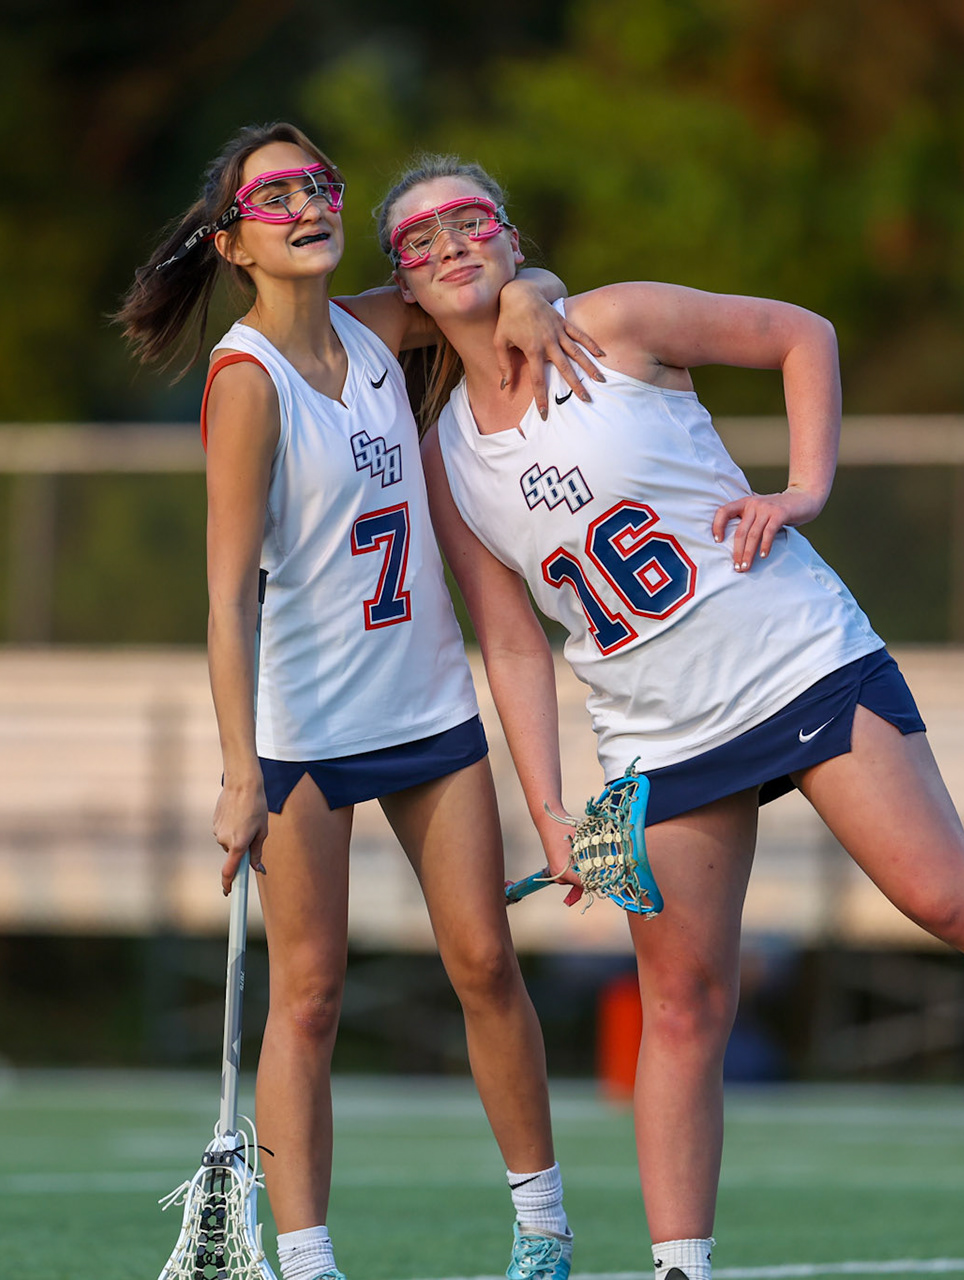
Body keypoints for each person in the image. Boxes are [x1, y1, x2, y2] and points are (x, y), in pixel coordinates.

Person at [380, 155, 964, 1280]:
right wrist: (547, 805)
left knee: (940, 888)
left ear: (505, 232)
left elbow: (804, 334)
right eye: (420, 237)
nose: (450, 244)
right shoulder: (446, 455)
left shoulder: (612, 320)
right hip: (654, 727)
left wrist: (804, 486)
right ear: (402, 278)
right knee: (681, 1003)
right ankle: (680, 1267)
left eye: (470, 220)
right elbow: (508, 638)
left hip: (792, 652)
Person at [116, 123, 606, 1280]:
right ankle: (309, 1256)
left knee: (486, 961)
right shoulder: (248, 382)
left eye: (319, 184)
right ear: (234, 239)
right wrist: (240, 769)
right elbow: (227, 597)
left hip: (429, 709)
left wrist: (536, 285)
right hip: (309, 733)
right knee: (314, 993)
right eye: (275, 194)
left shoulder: (373, 326)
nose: (307, 204)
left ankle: (543, 1228)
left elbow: (482, 284)